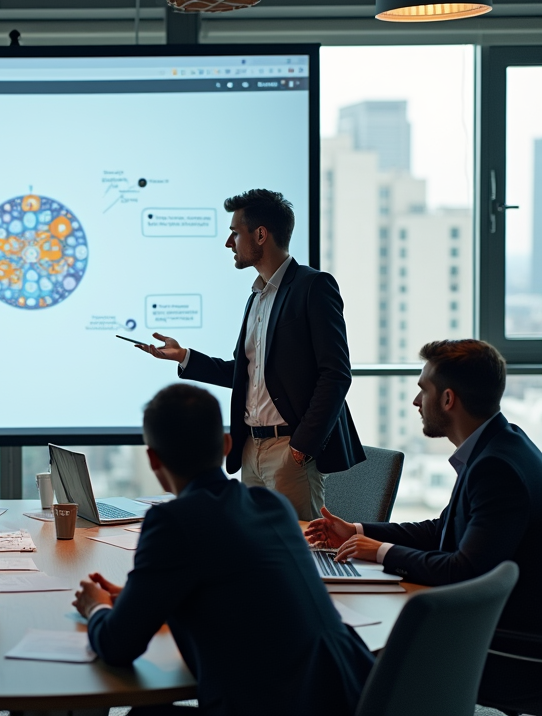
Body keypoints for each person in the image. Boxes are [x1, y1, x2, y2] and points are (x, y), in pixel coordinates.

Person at [73, 383, 375, 716]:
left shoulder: (171, 522)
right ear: (227, 445)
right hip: (347, 697)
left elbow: (117, 647)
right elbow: (239, 597)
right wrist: (143, 599)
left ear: (152, 459)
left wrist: (96, 608)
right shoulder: (272, 504)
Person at [306, 339, 542, 714]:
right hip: (491, 630)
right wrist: (359, 532)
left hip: (503, 650)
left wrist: (380, 552)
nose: (417, 402)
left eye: (423, 390)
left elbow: (464, 570)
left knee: (343, 657)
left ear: (448, 399)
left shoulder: (497, 469)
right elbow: (442, 529)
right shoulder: (499, 445)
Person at [137, 188, 363, 519]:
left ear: (260, 235)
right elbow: (247, 374)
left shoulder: (313, 286)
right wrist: (185, 356)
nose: (229, 243)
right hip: (250, 450)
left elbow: (336, 374)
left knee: (299, 553)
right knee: (257, 551)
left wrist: (301, 448)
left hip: (289, 452)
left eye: (234, 233)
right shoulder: (257, 296)